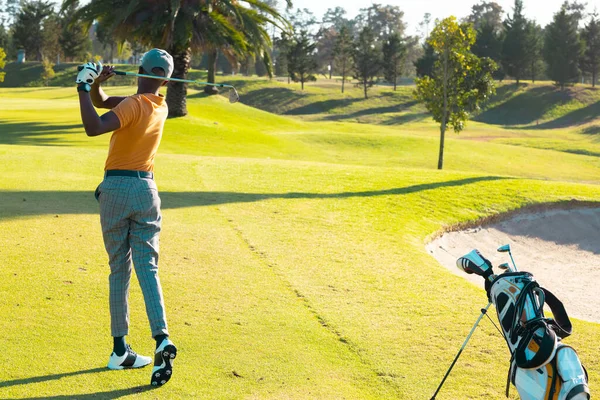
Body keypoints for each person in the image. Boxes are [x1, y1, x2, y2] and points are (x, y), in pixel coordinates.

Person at [75, 49, 177, 387]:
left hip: (116, 189)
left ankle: (120, 349)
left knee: (119, 268)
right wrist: (96, 88)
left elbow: (94, 126)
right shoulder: (158, 106)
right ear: (165, 79)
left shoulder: (133, 105)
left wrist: (80, 88)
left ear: (139, 70)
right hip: (146, 191)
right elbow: (105, 101)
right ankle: (160, 337)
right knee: (147, 266)